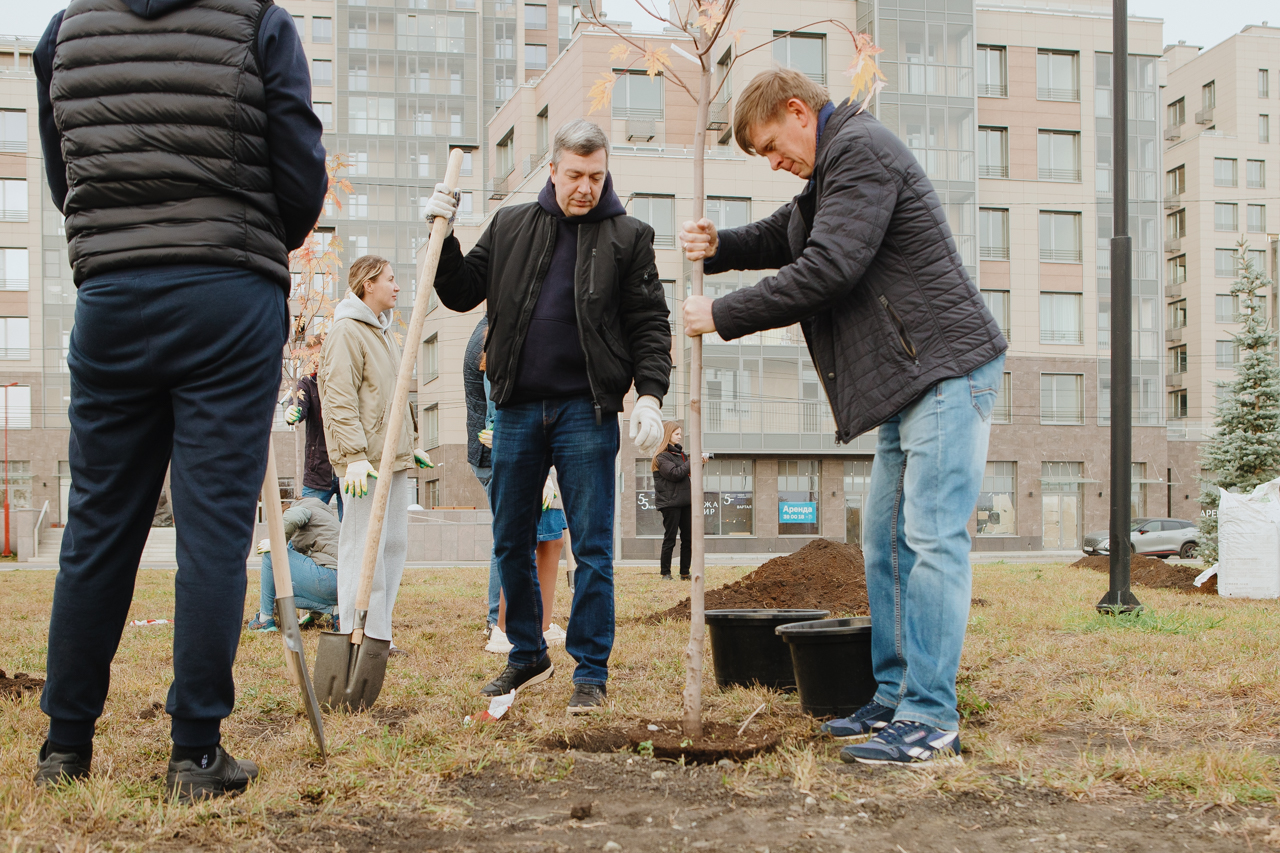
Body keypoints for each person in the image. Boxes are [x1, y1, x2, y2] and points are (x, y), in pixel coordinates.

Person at [32, 0, 327, 799]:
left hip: (112, 296)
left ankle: (65, 746)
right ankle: (195, 753)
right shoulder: (258, 23)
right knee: (213, 530)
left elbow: (67, 178)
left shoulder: (65, 32)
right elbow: (302, 182)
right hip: (227, 292)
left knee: (98, 522)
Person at [679, 68, 1007, 766]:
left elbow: (827, 267)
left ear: (799, 111)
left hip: (944, 370)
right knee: (885, 547)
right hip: (907, 380)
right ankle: (894, 697)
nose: (774, 163)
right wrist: (722, 246)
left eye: (772, 145)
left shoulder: (861, 150)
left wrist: (722, 314)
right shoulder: (832, 167)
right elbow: (790, 231)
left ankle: (931, 719)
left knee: (931, 544)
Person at [429, 119, 671, 715]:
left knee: (592, 547)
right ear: (553, 170)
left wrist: (650, 394)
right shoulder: (510, 226)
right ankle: (527, 651)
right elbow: (459, 291)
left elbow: (649, 323)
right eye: (576, 176)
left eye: (596, 176)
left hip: (587, 410)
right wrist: (443, 235)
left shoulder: (629, 237)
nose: (586, 187)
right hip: (515, 408)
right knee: (510, 538)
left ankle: (590, 671)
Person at [318, 256, 434, 655]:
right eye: (390, 279)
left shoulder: (383, 333)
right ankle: (357, 634)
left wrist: (410, 441)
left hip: (392, 457)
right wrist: (352, 455)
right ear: (368, 284)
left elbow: (394, 396)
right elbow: (339, 397)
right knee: (362, 547)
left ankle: (379, 634)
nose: (397, 286)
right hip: (364, 464)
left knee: (392, 545)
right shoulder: (347, 332)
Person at [487, 470, 569, 652]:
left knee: (551, 541)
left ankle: (541, 626)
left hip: (544, 471)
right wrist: (544, 476)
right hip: (536, 470)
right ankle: (505, 630)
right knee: (527, 542)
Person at [244, 497, 341, 632]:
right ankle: (336, 611)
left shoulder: (301, 509)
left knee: (271, 554)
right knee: (279, 594)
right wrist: (314, 615)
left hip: (330, 576)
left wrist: (276, 542)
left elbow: (294, 515)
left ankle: (264, 619)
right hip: (342, 587)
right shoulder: (325, 519)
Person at [463, 315, 504, 638]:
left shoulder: (488, 329)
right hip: (494, 454)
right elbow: (494, 408)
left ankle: (503, 617)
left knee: (510, 535)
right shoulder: (492, 336)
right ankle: (497, 620)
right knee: (507, 536)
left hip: (489, 454)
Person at [285, 359, 343, 520]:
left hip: (349, 470)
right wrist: (292, 409)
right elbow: (298, 402)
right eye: (312, 357)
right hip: (317, 472)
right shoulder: (307, 383)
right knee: (305, 525)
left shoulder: (346, 380)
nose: (316, 361)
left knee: (353, 531)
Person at [652, 422, 693, 581]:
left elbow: (687, 473)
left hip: (685, 501)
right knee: (670, 538)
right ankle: (665, 573)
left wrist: (699, 463)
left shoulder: (682, 455)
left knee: (688, 539)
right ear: (668, 434)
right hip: (670, 503)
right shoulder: (661, 457)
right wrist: (691, 461)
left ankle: (685, 573)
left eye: (680, 433)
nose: (680, 436)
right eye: (677, 434)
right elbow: (675, 474)